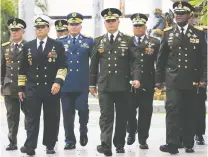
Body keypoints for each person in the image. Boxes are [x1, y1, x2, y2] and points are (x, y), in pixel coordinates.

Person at [156, 1, 207, 154]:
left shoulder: (198, 33)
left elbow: (204, 58)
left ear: (188, 15)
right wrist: (159, 80)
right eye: (176, 13)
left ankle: (188, 142)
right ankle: (172, 143)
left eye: (182, 13)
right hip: (173, 80)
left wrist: (204, 79)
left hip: (192, 80)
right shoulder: (168, 33)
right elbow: (161, 59)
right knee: (172, 110)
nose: (178, 16)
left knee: (189, 111)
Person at [89, 8, 140, 156]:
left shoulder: (128, 40)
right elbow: (93, 64)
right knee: (106, 116)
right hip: (104, 85)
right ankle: (105, 145)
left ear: (118, 22)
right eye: (108, 21)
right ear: (105, 23)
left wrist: (136, 78)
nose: (110, 23)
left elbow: (135, 60)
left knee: (122, 116)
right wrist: (92, 84)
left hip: (123, 85)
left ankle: (119, 143)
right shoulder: (98, 41)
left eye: (113, 21)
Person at [18, 15, 67, 155]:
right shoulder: (28, 46)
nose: (39, 30)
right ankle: (30, 146)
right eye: (37, 28)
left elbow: (63, 66)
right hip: (33, 88)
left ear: (48, 28)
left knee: (51, 117)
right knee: (32, 118)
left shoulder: (57, 45)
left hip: (51, 89)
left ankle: (50, 144)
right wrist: (21, 88)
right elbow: (23, 70)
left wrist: (58, 82)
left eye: (42, 27)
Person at [59, 12, 93, 150]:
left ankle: (83, 131)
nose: (73, 27)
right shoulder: (60, 42)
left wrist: (93, 82)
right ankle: (69, 140)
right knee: (67, 113)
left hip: (81, 83)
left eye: (76, 24)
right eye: (71, 24)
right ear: (67, 25)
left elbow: (95, 62)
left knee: (83, 110)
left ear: (80, 26)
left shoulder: (88, 41)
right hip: (66, 84)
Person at [127, 13, 160, 149]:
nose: (138, 28)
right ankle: (131, 130)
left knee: (145, 112)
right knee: (129, 111)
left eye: (140, 26)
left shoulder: (154, 42)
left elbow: (159, 63)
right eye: (136, 26)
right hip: (129, 83)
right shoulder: (126, 41)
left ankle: (142, 139)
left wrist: (159, 82)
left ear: (145, 27)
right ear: (133, 27)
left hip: (147, 82)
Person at [1, 18, 27, 151]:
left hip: (26, 87)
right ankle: (12, 142)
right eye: (12, 30)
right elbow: (2, 68)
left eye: (17, 30)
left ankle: (29, 142)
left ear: (22, 31)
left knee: (29, 115)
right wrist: (2, 85)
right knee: (11, 116)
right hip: (9, 87)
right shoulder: (5, 47)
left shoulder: (29, 46)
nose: (14, 33)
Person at [195, 25, 207, 145]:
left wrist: (204, 78)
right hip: (185, 78)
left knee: (199, 107)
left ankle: (199, 134)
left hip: (199, 78)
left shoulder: (201, 33)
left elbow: (205, 59)